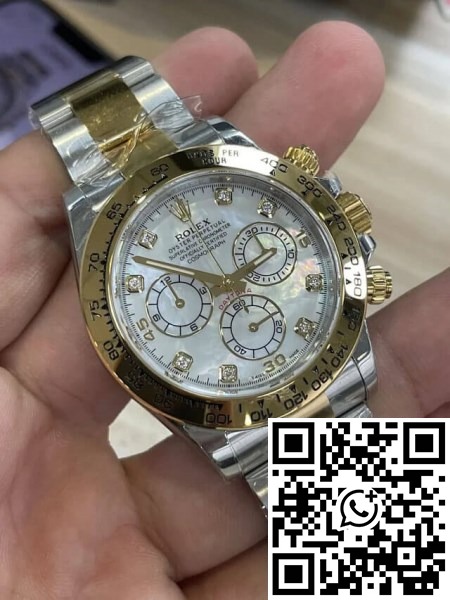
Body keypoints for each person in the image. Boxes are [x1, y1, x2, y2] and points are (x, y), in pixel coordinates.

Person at [0, 22, 447, 600]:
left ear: (343, 231)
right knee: (381, 572)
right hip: (242, 405)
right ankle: (384, 572)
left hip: (315, 364)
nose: (229, 287)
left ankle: (389, 571)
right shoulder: (93, 221)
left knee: (391, 571)